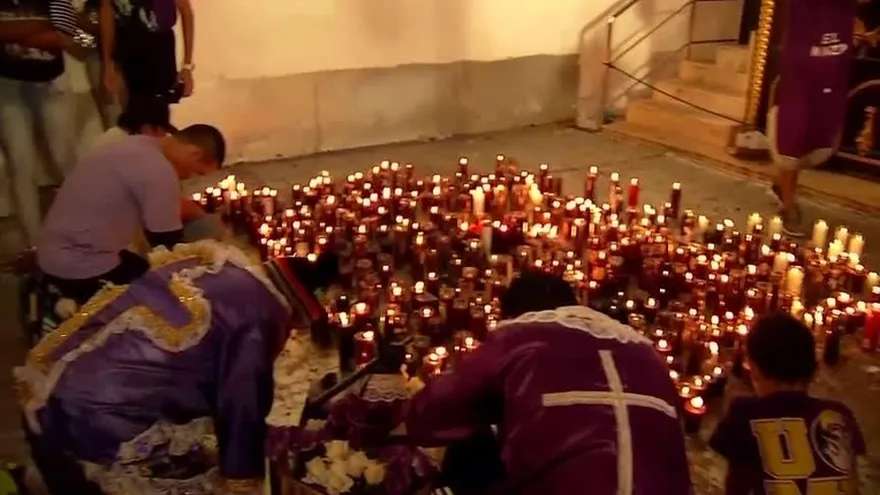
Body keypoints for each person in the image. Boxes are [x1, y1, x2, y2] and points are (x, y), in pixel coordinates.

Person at [15, 241, 338, 495]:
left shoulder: (221, 267)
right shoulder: (261, 315)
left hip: (57, 381)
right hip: (104, 415)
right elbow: (242, 403)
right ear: (298, 308)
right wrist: (243, 477)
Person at [405, 271, 692, 494]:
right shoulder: (646, 352)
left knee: (469, 453)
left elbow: (431, 413)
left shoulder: (520, 336)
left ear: (513, 314)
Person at [37, 124, 225, 305]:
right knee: (173, 298)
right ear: (195, 153)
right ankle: (68, 303)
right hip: (79, 265)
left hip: (53, 250)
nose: (189, 178)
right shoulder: (159, 171)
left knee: (140, 267)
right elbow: (168, 245)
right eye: (196, 172)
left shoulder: (140, 144)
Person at [709, 312, 865, 495]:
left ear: (754, 369)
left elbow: (735, 487)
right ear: (814, 370)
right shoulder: (839, 415)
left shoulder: (744, 413)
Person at [0, 0, 96, 251]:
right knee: (20, 165)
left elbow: (70, 38)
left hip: (50, 82)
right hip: (7, 85)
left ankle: (86, 233)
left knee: (65, 161)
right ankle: (33, 247)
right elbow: (62, 31)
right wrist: (45, 24)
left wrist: (15, 29)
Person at [767, 0, 855, 236]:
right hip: (804, 54)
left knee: (815, 127)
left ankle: (781, 186)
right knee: (794, 131)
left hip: (834, 53)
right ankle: (787, 206)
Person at [97, 0, 196, 105]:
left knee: (157, 110)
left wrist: (187, 66)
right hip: (125, 46)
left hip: (159, 48)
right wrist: (107, 64)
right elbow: (106, 11)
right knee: (129, 108)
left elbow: (186, 11)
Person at [87, 95, 175, 153]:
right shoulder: (124, 146)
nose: (163, 137)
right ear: (147, 127)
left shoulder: (115, 135)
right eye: (163, 131)